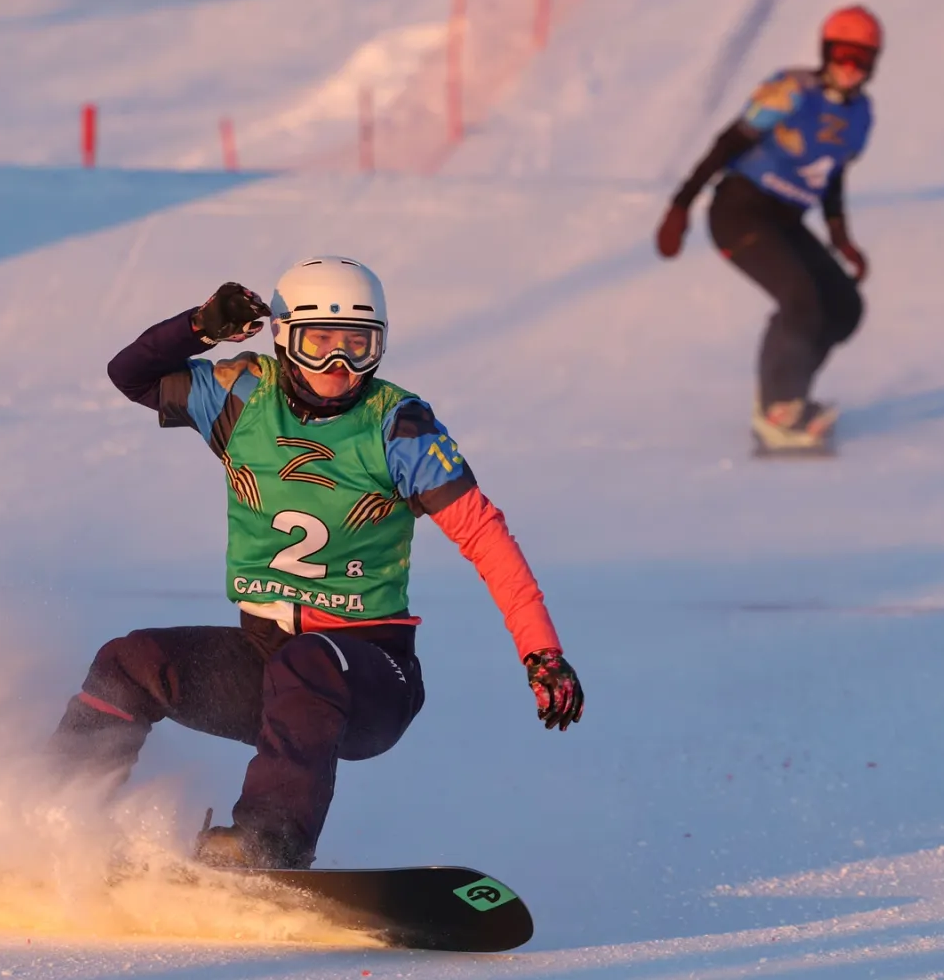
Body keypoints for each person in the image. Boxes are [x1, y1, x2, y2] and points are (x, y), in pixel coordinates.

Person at [49, 257, 585, 869]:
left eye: (359, 346)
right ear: (282, 339)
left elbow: (485, 537)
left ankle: (266, 845)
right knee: (130, 661)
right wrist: (200, 326)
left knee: (309, 663)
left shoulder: (399, 427)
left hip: (371, 675)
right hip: (265, 658)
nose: (339, 366)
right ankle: (47, 813)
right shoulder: (242, 396)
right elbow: (132, 375)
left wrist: (541, 650)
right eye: (320, 343)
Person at [656, 5, 881, 453]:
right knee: (801, 300)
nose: (849, 69)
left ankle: (789, 396)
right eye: (841, 55)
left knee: (844, 307)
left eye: (861, 60)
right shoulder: (792, 91)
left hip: (786, 217)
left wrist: (840, 236)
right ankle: (778, 408)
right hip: (740, 210)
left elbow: (832, 175)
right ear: (825, 53)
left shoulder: (861, 115)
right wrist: (680, 204)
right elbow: (729, 142)